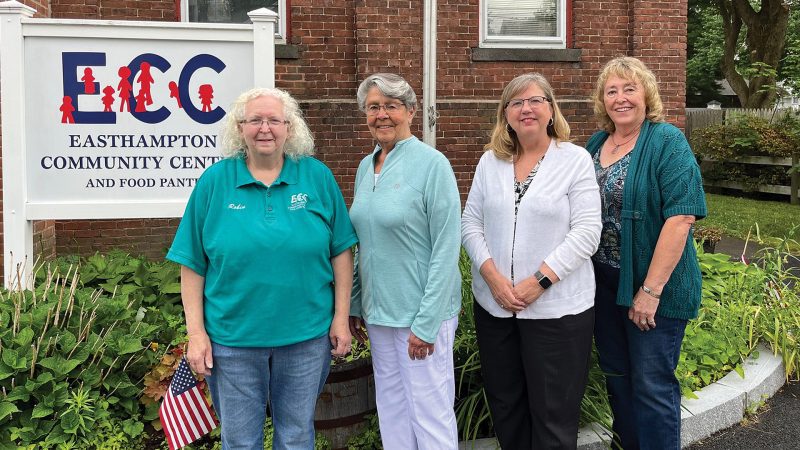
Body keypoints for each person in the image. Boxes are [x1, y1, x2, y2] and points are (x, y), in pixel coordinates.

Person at [167, 87, 357, 450]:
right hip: (233, 340)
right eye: (255, 120)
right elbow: (192, 263)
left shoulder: (315, 177)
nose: (264, 128)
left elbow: (341, 252)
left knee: (297, 437)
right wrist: (196, 334)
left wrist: (341, 317)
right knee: (239, 441)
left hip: (306, 337)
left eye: (274, 120)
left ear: (290, 127)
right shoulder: (215, 182)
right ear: (241, 129)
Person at [462, 73, 602, 449]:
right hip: (495, 307)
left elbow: (587, 232)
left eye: (536, 100)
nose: (526, 109)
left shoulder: (574, 160)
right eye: (516, 102)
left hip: (558, 312)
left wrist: (537, 281)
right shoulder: (490, 162)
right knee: (506, 407)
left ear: (551, 110)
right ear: (505, 114)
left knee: (553, 416)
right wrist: (491, 277)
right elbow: (470, 222)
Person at [586, 56, 707, 450]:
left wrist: (650, 292)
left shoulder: (666, 141)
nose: (621, 98)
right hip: (604, 284)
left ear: (646, 94)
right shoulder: (595, 144)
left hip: (655, 288)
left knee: (652, 386)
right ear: (603, 100)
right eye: (612, 91)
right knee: (618, 379)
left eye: (629, 89)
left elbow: (682, 217)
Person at [348, 73, 462, 450]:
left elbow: (447, 247)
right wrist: (355, 305)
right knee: (392, 408)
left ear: (411, 111)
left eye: (391, 106)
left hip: (421, 315)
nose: (382, 115)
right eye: (374, 107)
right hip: (380, 315)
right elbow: (364, 242)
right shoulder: (367, 167)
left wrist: (427, 323)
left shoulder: (433, 165)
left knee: (430, 413)